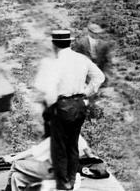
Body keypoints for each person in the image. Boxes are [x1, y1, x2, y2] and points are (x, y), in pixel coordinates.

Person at [33, 29, 106, 191]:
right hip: (79, 105)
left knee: (59, 147)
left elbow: (48, 90)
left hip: (61, 106)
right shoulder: (81, 59)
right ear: (69, 42)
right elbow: (99, 77)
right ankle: (71, 181)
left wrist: (52, 106)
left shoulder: (54, 62)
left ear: (54, 44)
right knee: (72, 144)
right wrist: (85, 94)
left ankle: (62, 183)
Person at [2, 135, 96, 191]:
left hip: (55, 174)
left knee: (16, 164)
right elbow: (89, 154)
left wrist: (11, 159)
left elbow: (32, 152)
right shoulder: (77, 136)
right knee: (16, 177)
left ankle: (7, 189)